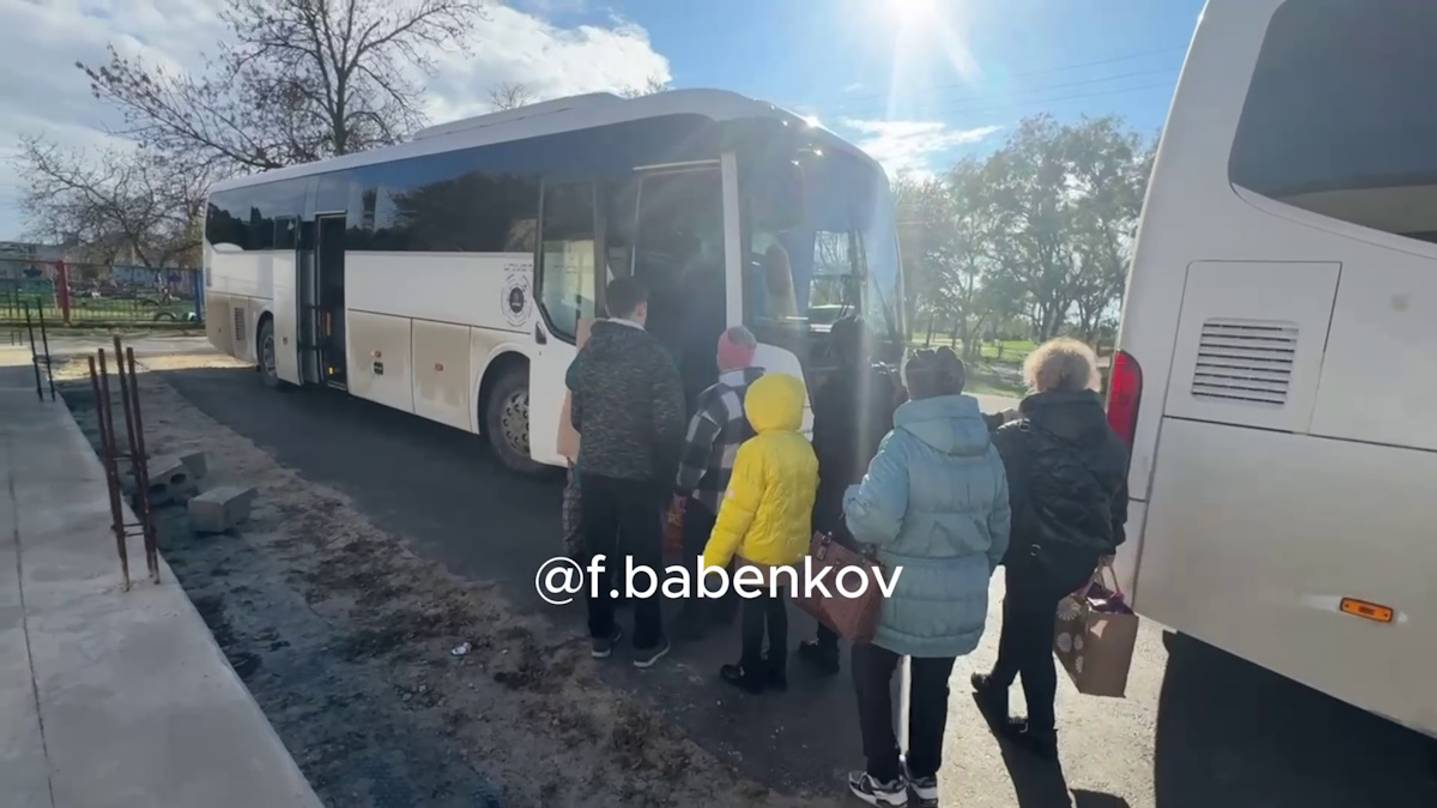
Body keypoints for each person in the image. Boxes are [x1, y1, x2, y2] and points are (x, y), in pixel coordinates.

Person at [843, 347, 1010, 807]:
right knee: (934, 682)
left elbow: (874, 522)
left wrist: (852, 496)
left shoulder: (900, 444)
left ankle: (884, 779)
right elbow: (1000, 528)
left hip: (898, 590)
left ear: (910, 388)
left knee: (872, 673)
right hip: (961, 590)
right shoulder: (987, 447)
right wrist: (975, 570)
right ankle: (923, 773)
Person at [971, 337, 1129, 761]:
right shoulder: (1107, 437)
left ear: (1040, 379)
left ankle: (1042, 728)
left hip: (1032, 550)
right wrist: (1110, 542)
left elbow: (995, 488)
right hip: (1079, 555)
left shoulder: (1019, 435)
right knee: (1024, 618)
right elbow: (1116, 496)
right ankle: (998, 681)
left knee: (1033, 634)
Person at [566, 277, 686, 668]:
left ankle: (601, 633)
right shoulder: (655, 355)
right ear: (641, 308)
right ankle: (647, 642)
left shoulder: (589, 349)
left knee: (599, 553)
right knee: (644, 558)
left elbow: (578, 413)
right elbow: (669, 427)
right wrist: (667, 479)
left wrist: (600, 442)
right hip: (639, 476)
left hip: (594, 471)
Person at [796, 316, 902, 674]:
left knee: (831, 562)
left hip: (838, 484)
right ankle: (866, 632)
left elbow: (823, 444)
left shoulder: (833, 387)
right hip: (880, 479)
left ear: (837, 348)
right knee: (870, 562)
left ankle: (828, 645)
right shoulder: (887, 382)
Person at [701, 373, 818, 693]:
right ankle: (777, 669)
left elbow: (737, 511)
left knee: (752, 610)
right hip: (790, 550)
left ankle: (749, 670)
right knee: (776, 606)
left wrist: (712, 561)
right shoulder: (803, 448)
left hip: (758, 550)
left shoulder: (755, 450)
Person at [670, 326, 765, 639]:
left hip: (712, 498)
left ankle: (694, 617)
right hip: (750, 498)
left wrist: (682, 490)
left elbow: (695, 453)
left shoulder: (716, 398)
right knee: (733, 554)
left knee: (698, 557)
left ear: (725, 356)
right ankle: (727, 609)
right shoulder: (767, 394)